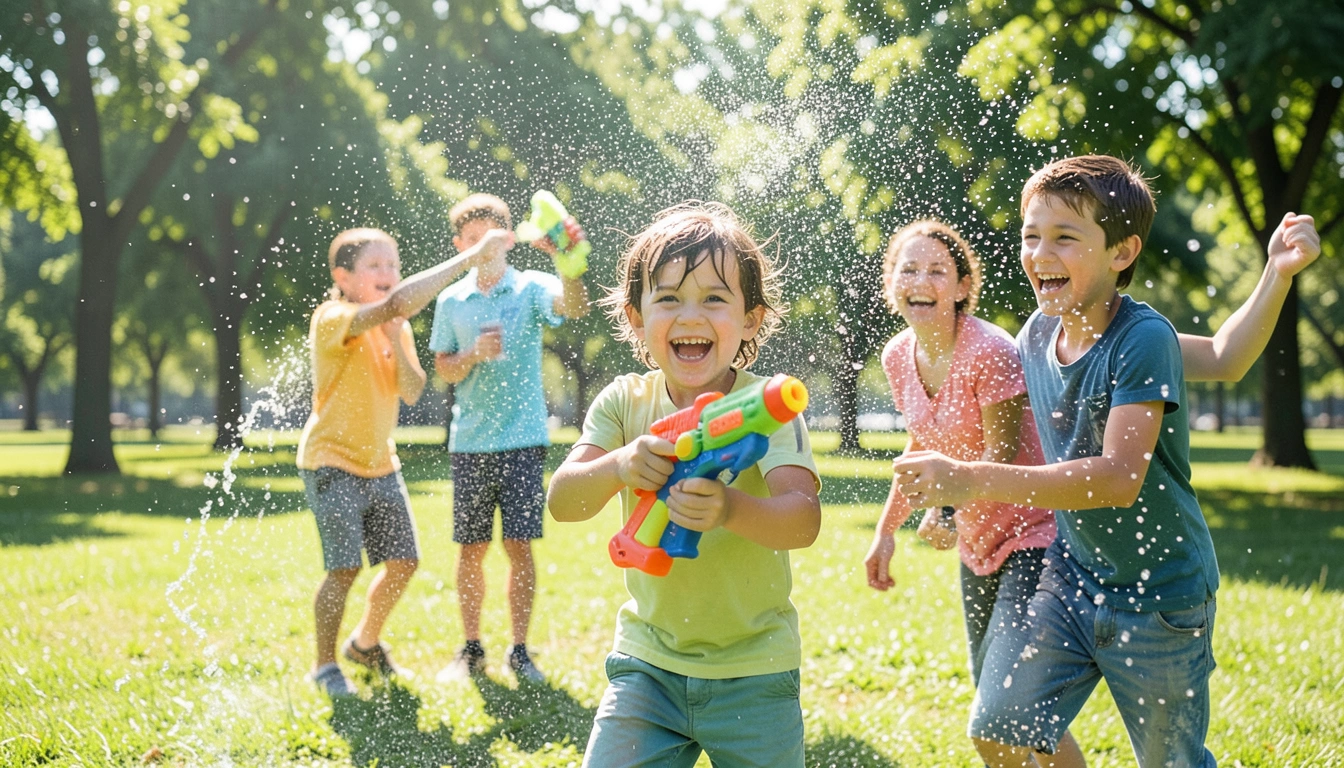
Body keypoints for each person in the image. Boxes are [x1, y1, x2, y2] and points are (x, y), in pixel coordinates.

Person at [890, 155, 1320, 767]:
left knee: (1169, 762)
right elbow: (981, 418)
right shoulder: (1037, 334)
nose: (1041, 252)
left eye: (1065, 237)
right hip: (1071, 579)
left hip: (1161, 598)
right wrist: (948, 494)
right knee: (999, 727)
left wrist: (1276, 272)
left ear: (1122, 253)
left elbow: (1122, 474)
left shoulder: (1140, 339)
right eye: (1031, 235)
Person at [546, 202, 822, 767]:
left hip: (756, 668)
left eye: (715, 299)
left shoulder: (765, 409)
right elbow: (564, 501)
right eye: (668, 298)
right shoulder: (625, 402)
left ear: (751, 319)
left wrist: (729, 508)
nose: (690, 315)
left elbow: (803, 518)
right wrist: (620, 464)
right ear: (635, 317)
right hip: (648, 666)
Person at [862, 220, 1086, 768]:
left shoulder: (989, 350)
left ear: (962, 287)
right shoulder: (897, 356)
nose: (921, 279)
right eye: (908, 269)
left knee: (1001, 713)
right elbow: (923, 440)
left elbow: (1001, 452)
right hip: (978, 544)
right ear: (891, 284)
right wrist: (884, 532)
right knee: (1017, 707)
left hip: (1036, 538)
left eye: (937, 270)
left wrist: (944, 508)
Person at [298, 225, 512, 697]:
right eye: (374, 266)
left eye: (393, 264)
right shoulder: (334, 316)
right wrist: (472, 257)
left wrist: (396, 336)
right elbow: (396, 303)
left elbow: (412, 390)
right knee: (344, 568)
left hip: (381, 463)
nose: (388, 273)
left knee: (403, 561)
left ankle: (364, 644)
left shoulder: (398, 323)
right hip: (330, 462)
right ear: (344, 275)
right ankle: (324, 667)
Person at [430, 193, 590, 684]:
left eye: (492, 239)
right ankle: (472, 648)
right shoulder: (450, 299)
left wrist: (567, 262)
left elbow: (576, 307)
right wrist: (473, 354)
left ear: (508, 241)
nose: (483, 249)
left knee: (519, 546)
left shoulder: (532, 288)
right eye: (472, 241)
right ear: (460, 245)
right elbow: (443, 369)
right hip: (471, 443)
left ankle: (519, 651)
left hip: (522, 439)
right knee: (471, 550)